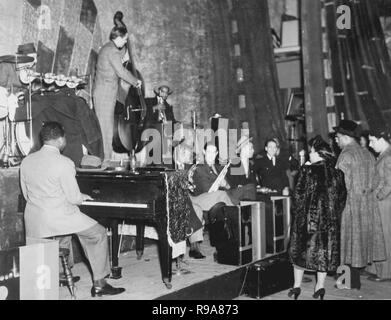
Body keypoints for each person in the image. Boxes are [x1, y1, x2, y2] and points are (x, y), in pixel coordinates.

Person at [20, 122, 125, 297]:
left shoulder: (27, 161)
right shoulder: (64, 162)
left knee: (63, 234)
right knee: (97, 234)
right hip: (58, 216)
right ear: (61, 139)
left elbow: (26, 194)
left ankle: (61, 273)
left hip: (34, 219)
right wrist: (81, 196)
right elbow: (74, 198)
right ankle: (100, 283)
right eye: (65, 138)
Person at [288, 135, 347, 300]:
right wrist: (332, 215)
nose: (309, 155)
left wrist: (298, 216)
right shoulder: (338, 174)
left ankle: (296, 287)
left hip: (308, 221)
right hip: (329, 223)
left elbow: (298, 197)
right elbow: (342, 198)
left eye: (311, 152)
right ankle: (320, 287)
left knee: (300, 253)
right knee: (323, 255)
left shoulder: (307, 171)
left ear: (319, 154)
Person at [334, 120, 386, 290]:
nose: (336, 140)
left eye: (337, 137)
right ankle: (354, 282)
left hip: (350, 205)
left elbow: (339, 186)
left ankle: (347, 283)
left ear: (345, 137)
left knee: (347, 243)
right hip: (367, 205)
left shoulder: (345, 155)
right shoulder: (368, 153)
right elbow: (377, 178)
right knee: (359, 243)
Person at [93, 26, 142, 162]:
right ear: (118, 37)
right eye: (125, 39)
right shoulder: (113, 52)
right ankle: (105, 161)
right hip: (104, 94)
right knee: (105, 129)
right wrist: (135, 81)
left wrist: (124, 56)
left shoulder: (109, 48)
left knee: (106, 127)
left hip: (106, 93)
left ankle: (105, 159)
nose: (126, 42)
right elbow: (121, 72)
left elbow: (116, 60)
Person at [366, 130, 391, 282]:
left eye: (372, 141)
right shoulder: (385, 155)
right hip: (381, 203)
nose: (370, 144)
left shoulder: (388, 157)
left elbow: (390, 183)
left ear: (381, 139)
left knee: (385, 238)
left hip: (385, 204)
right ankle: (379, 270)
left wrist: (377, 196)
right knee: (380, 237)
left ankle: (386, 273)